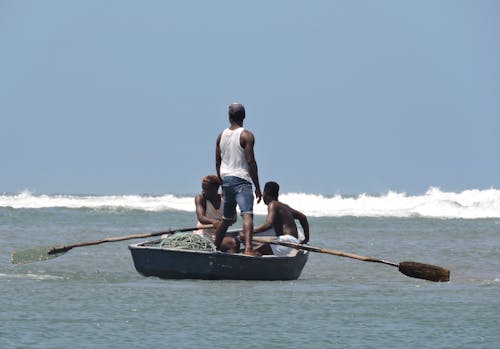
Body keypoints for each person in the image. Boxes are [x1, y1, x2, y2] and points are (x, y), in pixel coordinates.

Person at [214, 103, 262, 256]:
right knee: (247, 214)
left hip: (226, 180)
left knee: (227, 219)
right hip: (242, 180)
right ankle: (248, 249)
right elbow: (251, 162)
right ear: (244, 117)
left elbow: (217, 162)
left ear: (229, 117)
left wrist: (222, 184)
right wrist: (258, 187)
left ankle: (214, 248)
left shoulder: (221, 135)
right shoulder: (246, 135)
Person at [253, 181, 310, 256]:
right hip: (293, 242)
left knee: (250, 252)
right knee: (256, 249)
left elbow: (269, 224)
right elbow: (303, 217)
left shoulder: (273, 204)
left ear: (265, 194)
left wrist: (250, 232)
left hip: (286, 241)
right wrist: (306, 239)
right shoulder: (285, 206)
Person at [194, 175, 238, 253]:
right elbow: (201, 218)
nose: (203, 191)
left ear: (215, 189)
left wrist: (225, 222)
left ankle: (228, 264)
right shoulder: (200, 198)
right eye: (203, 188)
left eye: (206, 189)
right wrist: (214, 222)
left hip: (219, 236)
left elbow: (234, 219)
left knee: (234, 243)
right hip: (203, 235)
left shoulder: (224, 200)